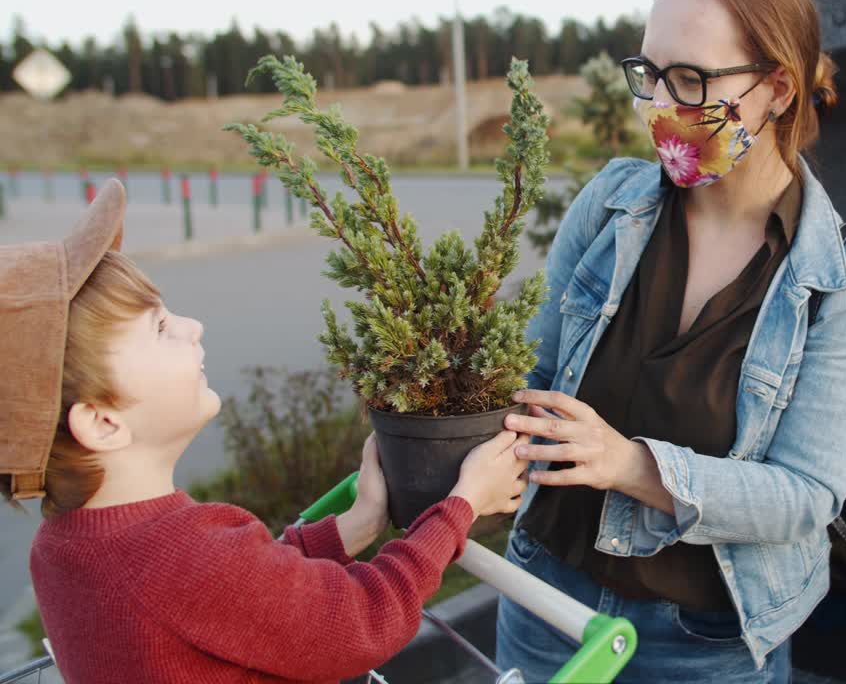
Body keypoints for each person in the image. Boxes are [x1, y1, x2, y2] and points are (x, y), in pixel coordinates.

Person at [495, 0, 846, 681]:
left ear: (776, 88)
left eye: (690, 80)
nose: (657, 103)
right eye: (647, 72)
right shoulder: (611, 203)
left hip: (703, 647)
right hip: (541, 601)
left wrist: (631, 465)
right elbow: (527, 377)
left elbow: (807, 495)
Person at [0, 180, 529, 683]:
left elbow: (243, 597)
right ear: (102, 422)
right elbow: (362, 621)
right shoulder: (184, 556)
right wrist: (460, 504)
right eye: (159, 327)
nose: (192, 327)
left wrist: (357, 526)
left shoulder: (60, 547)